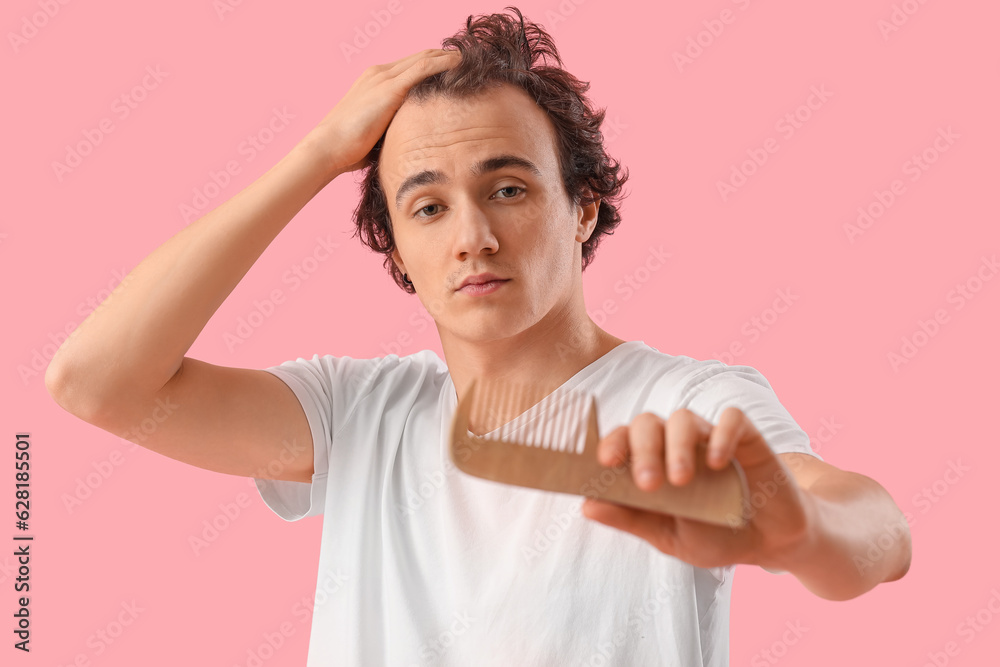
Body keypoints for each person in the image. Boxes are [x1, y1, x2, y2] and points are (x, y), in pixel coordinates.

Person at [45, 7, 911, 666]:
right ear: (396, 250)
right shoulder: (357, 416)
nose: (471, 237)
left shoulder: (685, 402)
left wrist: (797, 534)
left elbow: (880, 535)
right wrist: (316, 153)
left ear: (583, 209)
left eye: (507, 189)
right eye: (426, 206)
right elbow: (96, 382)